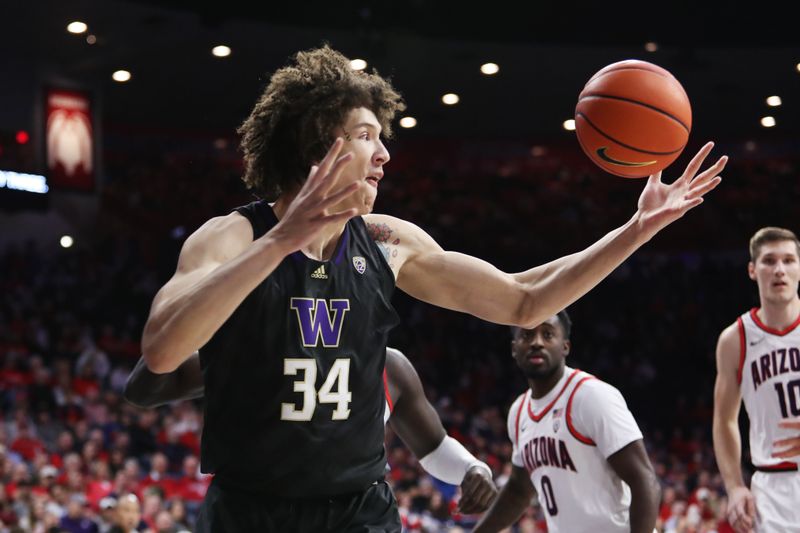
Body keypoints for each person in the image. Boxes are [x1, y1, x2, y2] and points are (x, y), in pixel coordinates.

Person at [139, 45, 725, 532]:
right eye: (367, 135)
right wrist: (279, 242)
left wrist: (636, 230)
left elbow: (525, 298)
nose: (385, 154)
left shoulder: (388, 240)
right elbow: (161, 352)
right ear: (321, 144)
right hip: (250, 509)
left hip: (359, 508)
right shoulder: (232, 237)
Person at [124, 347, 498, 514]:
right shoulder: (255, 347)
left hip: (350, 514)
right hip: (258, 511)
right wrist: (185, 315)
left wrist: (472, 468)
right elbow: (145, 389)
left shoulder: (390, 366)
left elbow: (435, 447)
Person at [474, 311, 660, 533]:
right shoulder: (518, 412)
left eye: (548, 334)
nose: (537, 343)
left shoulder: (591, 396)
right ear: (514, 349)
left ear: (565, 347)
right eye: (527, 336)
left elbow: (645, 480)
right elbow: (518, 490)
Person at [712, 226, 800, 533]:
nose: (779, 270)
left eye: (789, 260)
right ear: (752, 269)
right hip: (772, 490)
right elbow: (724, 420)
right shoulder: (735, 339)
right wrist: (735, 486)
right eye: (769, 261)